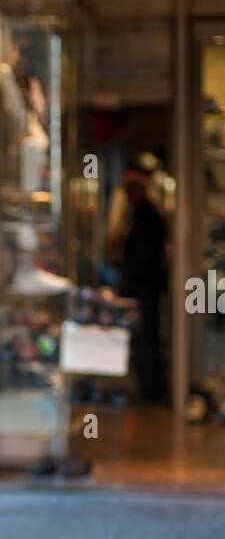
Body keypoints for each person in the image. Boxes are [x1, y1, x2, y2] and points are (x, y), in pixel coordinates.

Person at [115, 169, 167, 401]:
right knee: (142, 338)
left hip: (143, 288)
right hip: (141, 286)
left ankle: (150, 389)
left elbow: (143, 256)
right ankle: (147, 387)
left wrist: (127, 281)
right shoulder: (140, 213)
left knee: (145, 339)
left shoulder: (147, 215)